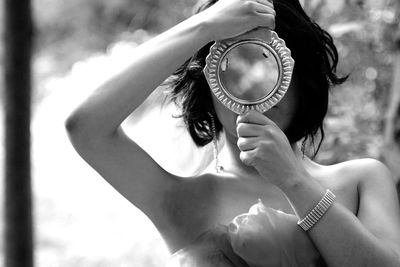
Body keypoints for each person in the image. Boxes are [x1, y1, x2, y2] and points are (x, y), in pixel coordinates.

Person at [65, 0, 400, 266]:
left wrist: (294, 182)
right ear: (209, 87)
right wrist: (204, 26)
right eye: (233, 69)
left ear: (301, 77)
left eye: (267, 62)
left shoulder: (362, 180)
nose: (253, 90)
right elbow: (85, 127)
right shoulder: (184, 199)